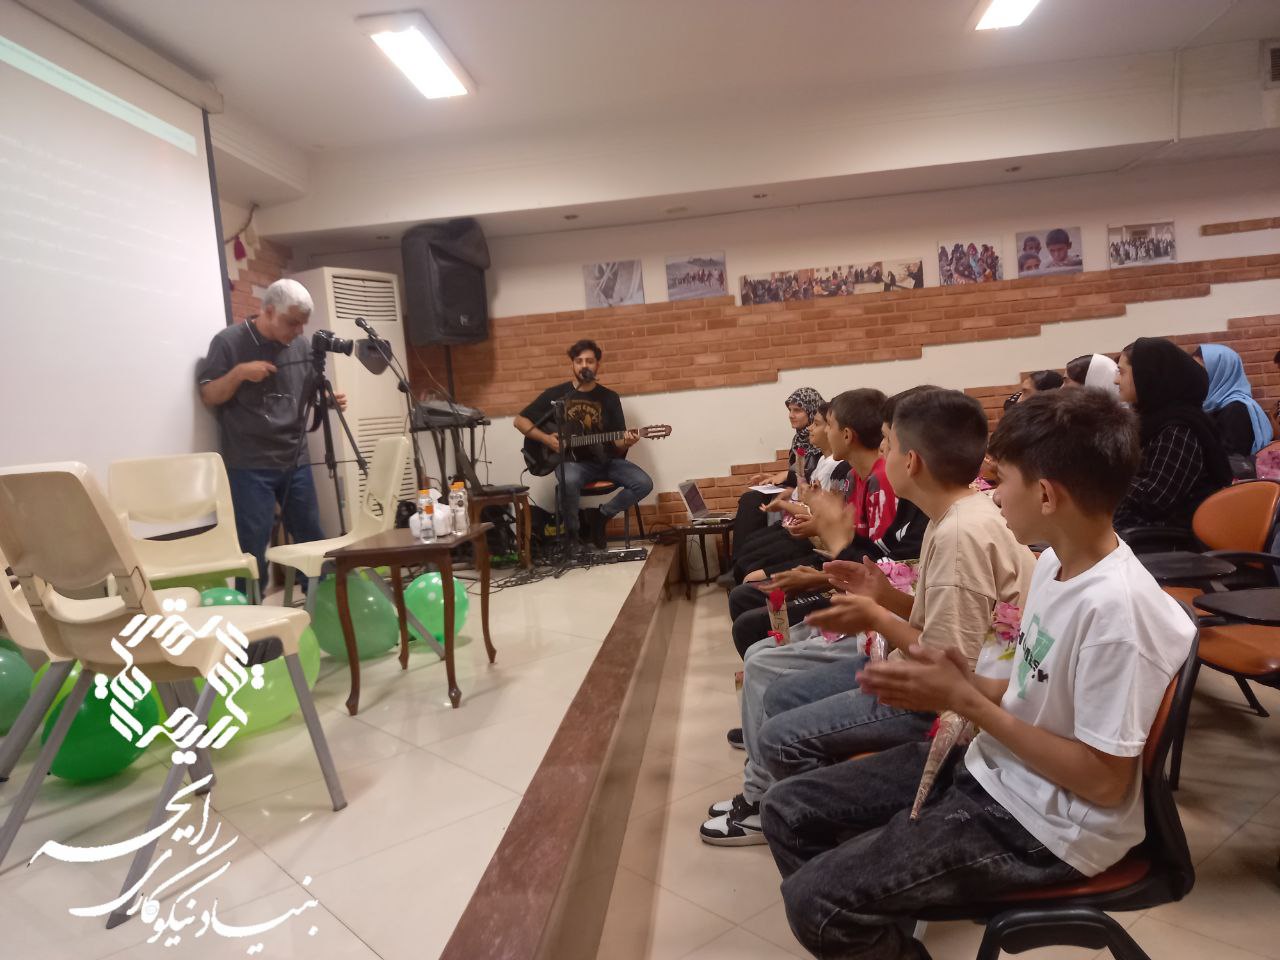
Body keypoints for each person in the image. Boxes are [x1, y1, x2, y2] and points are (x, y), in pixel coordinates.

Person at [762, 388, 1195, 960]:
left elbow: (1103, 782)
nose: (991, 490)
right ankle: (879, 916)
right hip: (995, 766)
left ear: (1046, 495)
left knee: (816, 903)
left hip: (1046, 825)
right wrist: (959, 685)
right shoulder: (1055, 563)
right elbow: (1027, 688)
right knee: (785, 808)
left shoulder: (1118, 614)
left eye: (1002, 479)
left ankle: (865, 913)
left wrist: (965, 701)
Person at [701, 388, 1020, 847]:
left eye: (888, 443)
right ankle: (793, 806)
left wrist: (875, 613)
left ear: (911, 461)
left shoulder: (961, 533)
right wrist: (884, 596)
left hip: (936, 701)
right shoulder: (950, 517)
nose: (882, 454)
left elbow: (949, 669)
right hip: (917, 669)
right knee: (779, 689)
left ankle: (808, 822)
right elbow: (939, 621)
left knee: (778, 735)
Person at [727, 389, 925, 658]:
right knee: (748, 582)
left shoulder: (882, 483)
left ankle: (778, 663)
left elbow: (882, 567)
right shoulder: (855, 476)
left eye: (888, 442)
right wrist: (824, 536)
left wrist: (824, 569)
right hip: (847, 574)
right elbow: (869, 550)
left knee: (750, 619)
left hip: (862, 593)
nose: (882, 449)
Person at [197, 279, 347, 590]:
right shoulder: (228, 342)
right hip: (249, 463)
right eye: (292, 322)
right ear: (267, 311)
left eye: (303, 323)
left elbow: (305, 395)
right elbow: (209, 395)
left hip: (295, 458)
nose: (299, 331)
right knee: (253, 546)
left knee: (311, 537)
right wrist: (239, 373)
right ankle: (253, 613)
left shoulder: (301, 346)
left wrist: (327, 401)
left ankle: (320, 605)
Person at [514, 340, 653, 551]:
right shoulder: (557, 396)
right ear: (573, 364)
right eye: (579, 361)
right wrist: (546, 439)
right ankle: (572, 538)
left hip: (607, 462)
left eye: (589, 361)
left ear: (597, 365)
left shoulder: (609, 398)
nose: (584, 365)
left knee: (643, 483)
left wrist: (628, 440)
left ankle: (601, 516)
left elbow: (618, 439)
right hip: (573, 465)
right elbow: (519, 421)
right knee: (568, 479)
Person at [1113, 337, 1232, 532]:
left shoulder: (1178, 429)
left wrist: (1105, 481)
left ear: (1147, 376)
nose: (1116, 380)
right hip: (1136, 530)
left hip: (1164, 537)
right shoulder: (1149, 420)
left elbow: (1155, 498)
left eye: (1122, 372)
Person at [725, 388, 824, 574]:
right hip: (796, 489)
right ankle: (738, 563)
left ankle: (742, 564)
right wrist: (773, 478)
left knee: (753, 501)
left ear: (811, 411)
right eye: (790, 410)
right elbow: (800, 473)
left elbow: (813, 477)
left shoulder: (821, 441)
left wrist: (786, 477)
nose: (791, 415)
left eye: (797, 410)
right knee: (750, 498)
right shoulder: (800, 440)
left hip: (804, 498)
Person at [1195, 343, 1273, 459]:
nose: (1194, 377)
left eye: (1200, 371)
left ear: (1220, 373)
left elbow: (1230, 462)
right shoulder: (1216, 406)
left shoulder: (1236, 410)